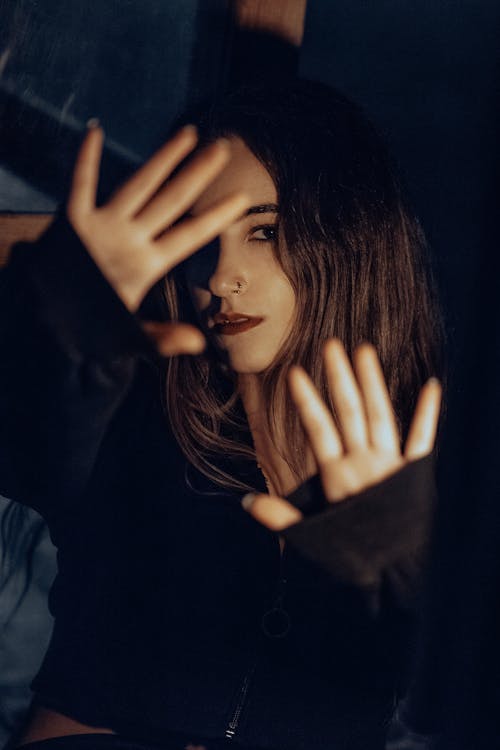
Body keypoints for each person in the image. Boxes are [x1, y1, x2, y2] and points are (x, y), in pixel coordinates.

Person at [0, 80, 444, 750]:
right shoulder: (131, 407)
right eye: (202, 235)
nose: (221, 274)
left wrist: (391, 585)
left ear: (348, 239)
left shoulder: (423, 471)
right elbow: (35, 447)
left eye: (264, 231)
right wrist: (62, 322)